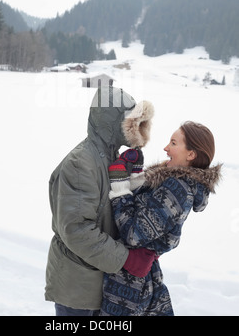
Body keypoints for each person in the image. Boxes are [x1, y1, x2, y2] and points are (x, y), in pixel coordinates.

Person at [45, 86, 155, 316]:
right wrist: (126, 259)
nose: (136, 127)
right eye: (130, 121)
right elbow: (77, 231)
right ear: (112, 122)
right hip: (78, 289)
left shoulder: (110, 158)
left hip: (99, 281)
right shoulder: (81, 164)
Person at [100, 121, 222, 316]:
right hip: (137, 274)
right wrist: (137, 176)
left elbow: (133, 233)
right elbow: (148, 213)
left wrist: (120, 187)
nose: (166, 148)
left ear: (191, 154)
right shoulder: (176, 182)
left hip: (129, 285)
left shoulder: (177, 189)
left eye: (173, 143)